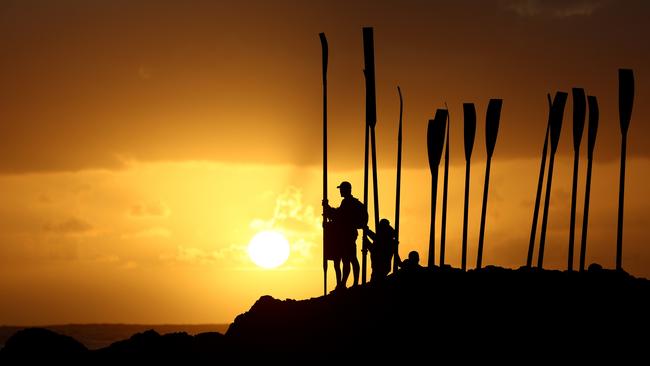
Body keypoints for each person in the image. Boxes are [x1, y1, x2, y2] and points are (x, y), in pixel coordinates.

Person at [323, 181, 366, 290]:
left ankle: (347, 284)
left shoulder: (348, 203)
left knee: (349, 259)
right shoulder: (349, 202)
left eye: (341, 189)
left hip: (347, 235)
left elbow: (338, 215)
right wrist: (328, 209)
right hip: (348, 234)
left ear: (346, 190)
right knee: (349, 259)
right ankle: (345, 283)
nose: (340, 192)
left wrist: (327, 207)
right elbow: (338, 214)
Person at [363, 218, 397, 282]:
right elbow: (375, 239)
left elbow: (375, 248)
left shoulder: (385, 236)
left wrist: (367, 240)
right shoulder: (386, 235)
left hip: (380, 265)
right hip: (381, 266)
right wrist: (367, 233)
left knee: (376, 280)